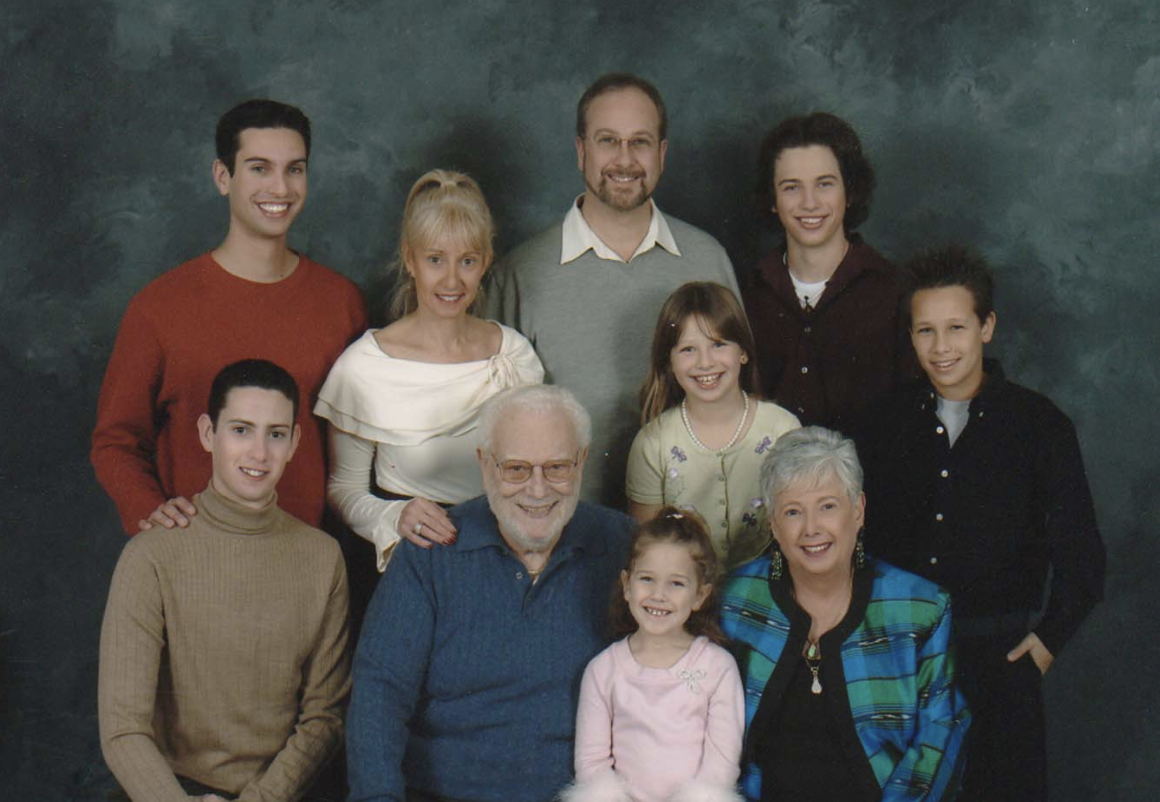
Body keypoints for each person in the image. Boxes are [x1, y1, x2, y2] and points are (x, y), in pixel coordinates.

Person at [854, 246, 1105, 801]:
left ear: (986, 327)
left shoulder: (1041, 427)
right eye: (925, 331)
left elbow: (1085, 560)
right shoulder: (881, 425)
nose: (941, 348)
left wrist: (1044, 644)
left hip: (1000, 665)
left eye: (956, 327)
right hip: (898, 664)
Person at [91, 99, 367, 534]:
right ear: (223, 177)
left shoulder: (342, 303)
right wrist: (149, 510)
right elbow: (115, 440)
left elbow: (357, 450)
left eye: (294, 169)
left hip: (306, 565)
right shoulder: (159, 306)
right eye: (260, 168)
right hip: (192, 557)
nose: (280, 188)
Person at [345, 385, 633, 802]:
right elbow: (380, 693)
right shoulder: (431, 550)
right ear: (485, 464)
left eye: (556, 467)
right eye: (516, 469)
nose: (538, 490)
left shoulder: (624, 546)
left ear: (582, 461)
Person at [98, 359, 350, 802]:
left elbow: (325, 716)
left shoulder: (321, 556)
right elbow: (123, 727)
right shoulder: (152, 556)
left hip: (280, 792)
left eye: (275, 434)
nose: (258, 453)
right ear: (208, 434)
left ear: (294, 442)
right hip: (170, 791)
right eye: (240, 430)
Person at [488, 73, 740, 508]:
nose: (624, 159)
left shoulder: (708, 259)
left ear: (661, 153)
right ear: (581, 150)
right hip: (560, 532)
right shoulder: (519, 274)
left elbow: (741, 397)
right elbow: (493, 423)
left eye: (640, 142)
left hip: (690, 536)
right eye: (608, 140)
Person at [721, 427, 970, 802]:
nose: (811, 529)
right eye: (792, 512)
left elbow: (943, 730)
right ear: (773, 524)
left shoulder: (920, 606)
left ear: (858, 510)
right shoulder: (735, 600)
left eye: (828, 506)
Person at [314, 169, 543, 573]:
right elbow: (343, 489)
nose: (452, 280)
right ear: (409, 258)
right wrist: (393, 517)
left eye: (467, 261)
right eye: (435, 259)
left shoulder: (514, 356)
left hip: (503, 560)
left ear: (486, 261)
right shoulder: (366, 366)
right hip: (411, 561)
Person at [742, 112, 915, 432]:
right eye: (791, 187)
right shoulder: (745, 294)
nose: (810, 203)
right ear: (772, 200)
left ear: (849, 193)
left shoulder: (896, 292)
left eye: (825, 184)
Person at [566, 508, 744, 802]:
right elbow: (591, 762)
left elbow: (721, 765)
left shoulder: (717, 668)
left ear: (700, 595)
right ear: (627, 585)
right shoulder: (603, 670)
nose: (658, 595)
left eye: (676, 583)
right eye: (647, 579)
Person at [627, 282, 799, 568]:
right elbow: (646, 547)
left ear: (743, 352)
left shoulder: (782, 429)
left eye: (718, 344)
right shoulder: (652, 443)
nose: (705, 362)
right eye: (688, 350)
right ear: (668, 362)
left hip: (768, 583)